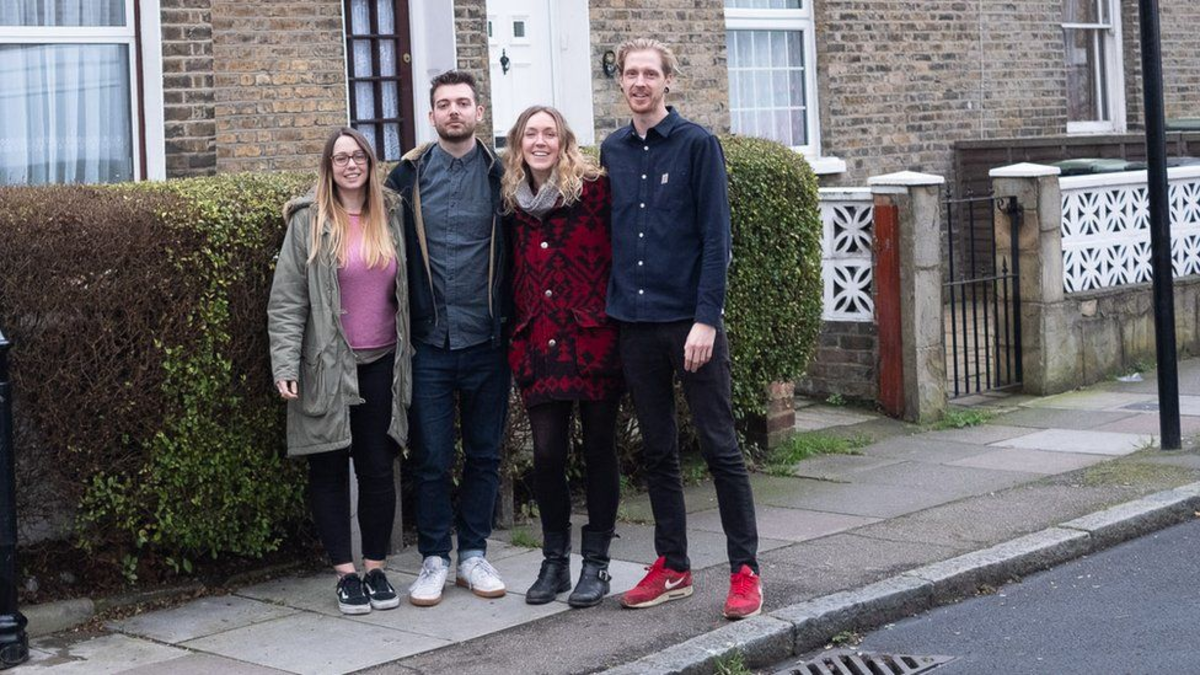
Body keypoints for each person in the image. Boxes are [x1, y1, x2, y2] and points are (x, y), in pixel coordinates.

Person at [601, 38, 763, 620]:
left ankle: (745, 571)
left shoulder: (697, 145)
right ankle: (673, 565)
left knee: (720, 447)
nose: (639, 82)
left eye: (650, 73)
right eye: (631, 73)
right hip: (635, 324)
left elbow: (717, 240)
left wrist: (706, 319)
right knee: (658, 450)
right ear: (621, 81)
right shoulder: (613, 150)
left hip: (689, 325)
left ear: (668, 81)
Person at [268, 127, 411, 616]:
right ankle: (346, 576)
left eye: (359, 157)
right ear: (328, 168)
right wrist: (285, 364)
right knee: (327, 467)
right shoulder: (308, 221)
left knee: (377, 469)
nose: (351, 165)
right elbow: (287, 301)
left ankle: (376, 568)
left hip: (383, 362)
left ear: (370, 163)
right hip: (327, 365)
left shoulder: (390, 213)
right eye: (340, 158)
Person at [385, 71, 510, 607]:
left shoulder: (503, 176)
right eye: (444, 104)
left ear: (478, 112)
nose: (453, 111)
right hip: (429, 343)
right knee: (431, 458)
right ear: (431, 114)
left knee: (484, 454)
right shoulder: (406, 178)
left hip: (488, 341)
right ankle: (435, 558)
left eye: (462, 103)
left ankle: (474, 555)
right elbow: (352, 208)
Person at [501, 105, 623, 608]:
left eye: (549, 133)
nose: (540, 141)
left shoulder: (594, 191)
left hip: (592, 341)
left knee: (598, 450)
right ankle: (554, 561)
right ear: (518, 144)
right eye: (530, 134)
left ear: (563, 141)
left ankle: (596, 562)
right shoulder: (511, 204)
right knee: (547, 453)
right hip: (538, 342)